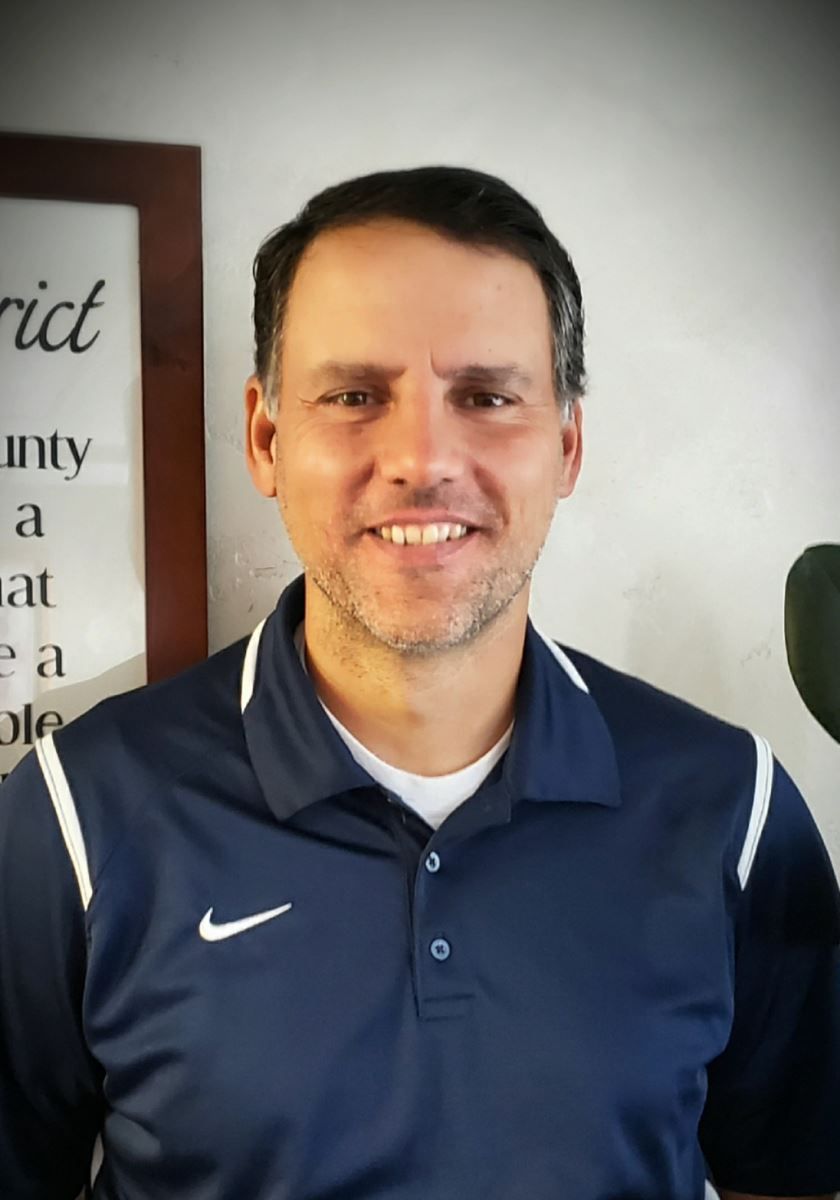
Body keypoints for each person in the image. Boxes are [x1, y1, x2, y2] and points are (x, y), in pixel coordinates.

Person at [1, 166, 838, 1200]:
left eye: (486, 397)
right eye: (356, 396)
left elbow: (787, 1181)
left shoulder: (735, 809)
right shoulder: (75, 815)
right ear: (267, 437)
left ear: (567, 443)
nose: (422, 458)